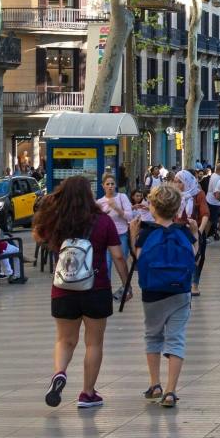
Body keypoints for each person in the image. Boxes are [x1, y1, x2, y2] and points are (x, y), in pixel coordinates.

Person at [34, 175, 127, 410]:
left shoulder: (56, 219)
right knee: (93, 343)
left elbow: (37, 235)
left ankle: (59, 373)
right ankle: (87, 393)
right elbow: (117, 255)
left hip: (63, 289)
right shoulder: (103, 221)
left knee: (65, 340)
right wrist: (126, 284)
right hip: (96, 288)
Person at [131, 183, 196, 409]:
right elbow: (194, 257)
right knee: (176, 338)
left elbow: (139, 260)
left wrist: (132, 236)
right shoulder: (184, 232)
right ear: (177, 208)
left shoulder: (147, 233)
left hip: (153, 293)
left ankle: (154, 384)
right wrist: (196, 233)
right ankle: (171, 391)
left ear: (152, 208)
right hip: (180, 292)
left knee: (153, 336)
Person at [98, 172, 135, 256]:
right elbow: (97, 221)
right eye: (107, 184)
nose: (110, 186)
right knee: (107, 262)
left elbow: (130, 217)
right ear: (103, 186)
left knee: (121, 259)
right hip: (106, 236)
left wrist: (116, 208)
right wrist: (103, 215)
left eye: (112, 184)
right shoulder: (100, 202)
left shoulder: (122, 197)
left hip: (121, 234)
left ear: (115, 185)